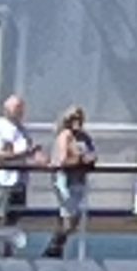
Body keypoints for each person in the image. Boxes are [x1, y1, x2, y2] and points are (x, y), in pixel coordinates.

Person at [0, 92, 40, 259]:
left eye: (21, 108)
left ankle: (7, 252)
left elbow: (27, 152)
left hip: (19, 180)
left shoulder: (22, 130)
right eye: (17, 108)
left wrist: (36, 157)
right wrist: (23, 154)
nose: (20, 111)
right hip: (2, 180)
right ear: (6, 109)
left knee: (14, 218)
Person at [44, 104, 96, 258]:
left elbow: (92, 155)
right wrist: (79, 159)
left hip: (80, 179)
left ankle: (57, 246)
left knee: (75, 218)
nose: (77, 121)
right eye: (74, 118)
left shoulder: (84, 137)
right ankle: (53, 248)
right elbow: (62, 161)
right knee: (69, 216)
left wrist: (86, 160)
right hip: (65, 180)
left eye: (80, 118)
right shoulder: (65, 136)